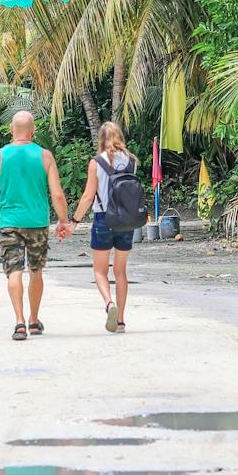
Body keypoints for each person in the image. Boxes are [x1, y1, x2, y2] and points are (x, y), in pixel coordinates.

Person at [0, 111, 72, 341]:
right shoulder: (45, 156)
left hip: (10, 223)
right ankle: (34, 320)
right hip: (38, 223)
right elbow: (57, 194)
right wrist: (63, 220)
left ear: (12, 130)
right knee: (36, 271)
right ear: (33, 132)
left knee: (14, 271)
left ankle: (19, 321)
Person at [72, 121, 137, 333]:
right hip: (126, 221)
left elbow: (88, 196)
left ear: (101, 139)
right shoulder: (132, 161)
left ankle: (110, 304)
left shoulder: (96, 162)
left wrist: (74, 221)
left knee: (100, 271)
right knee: (121, 271)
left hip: (103, 219)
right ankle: (121, 321)